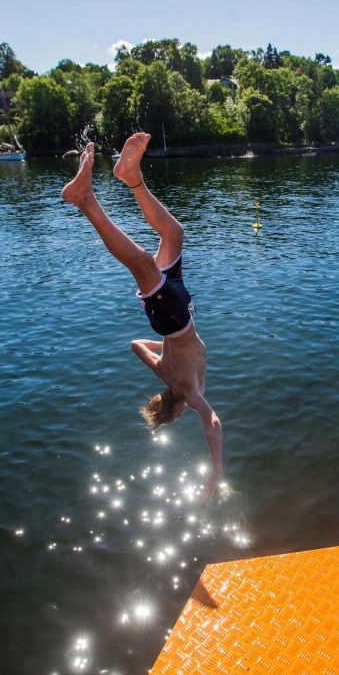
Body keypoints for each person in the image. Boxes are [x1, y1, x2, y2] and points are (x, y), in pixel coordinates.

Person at [61, 134, 222, 496]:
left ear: (176, 410)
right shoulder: (163, 371)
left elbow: (212, 421)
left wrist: (216, 470)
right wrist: (164, 348)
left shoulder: (186, 390)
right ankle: (130, 174)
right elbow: (136, 344)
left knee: (141, 264)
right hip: (177, 314)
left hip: (174, 317)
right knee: (173, 233)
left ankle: (84, 200)